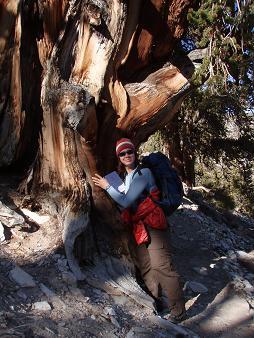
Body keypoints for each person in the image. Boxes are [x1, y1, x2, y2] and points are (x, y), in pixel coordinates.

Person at [92, 138, 185, 322]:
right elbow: (125, 202)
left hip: (154, 225)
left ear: (135, 153)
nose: (127, 155)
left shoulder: (144, 173)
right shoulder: (127, 177)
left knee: (162, 266)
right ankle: (156, 304)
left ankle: (179, 311)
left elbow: (126, 201)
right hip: (139, 226)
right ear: (118, 157)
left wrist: (107, 186)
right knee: (147, 267)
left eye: (130, 152)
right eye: (122, 153)